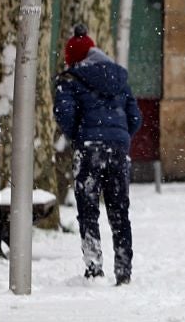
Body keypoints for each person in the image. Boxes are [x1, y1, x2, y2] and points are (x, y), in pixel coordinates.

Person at [53, 24, 142, 285]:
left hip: (89, 148)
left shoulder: (70, 79)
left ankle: (94, 269)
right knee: (119, 210)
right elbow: (135, 117)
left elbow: (64, 114)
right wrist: (119, 137)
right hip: (118, 150)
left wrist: (79, 137)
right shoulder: (119, 78)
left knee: (88, 209)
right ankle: (124, 271)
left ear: (73, 58)